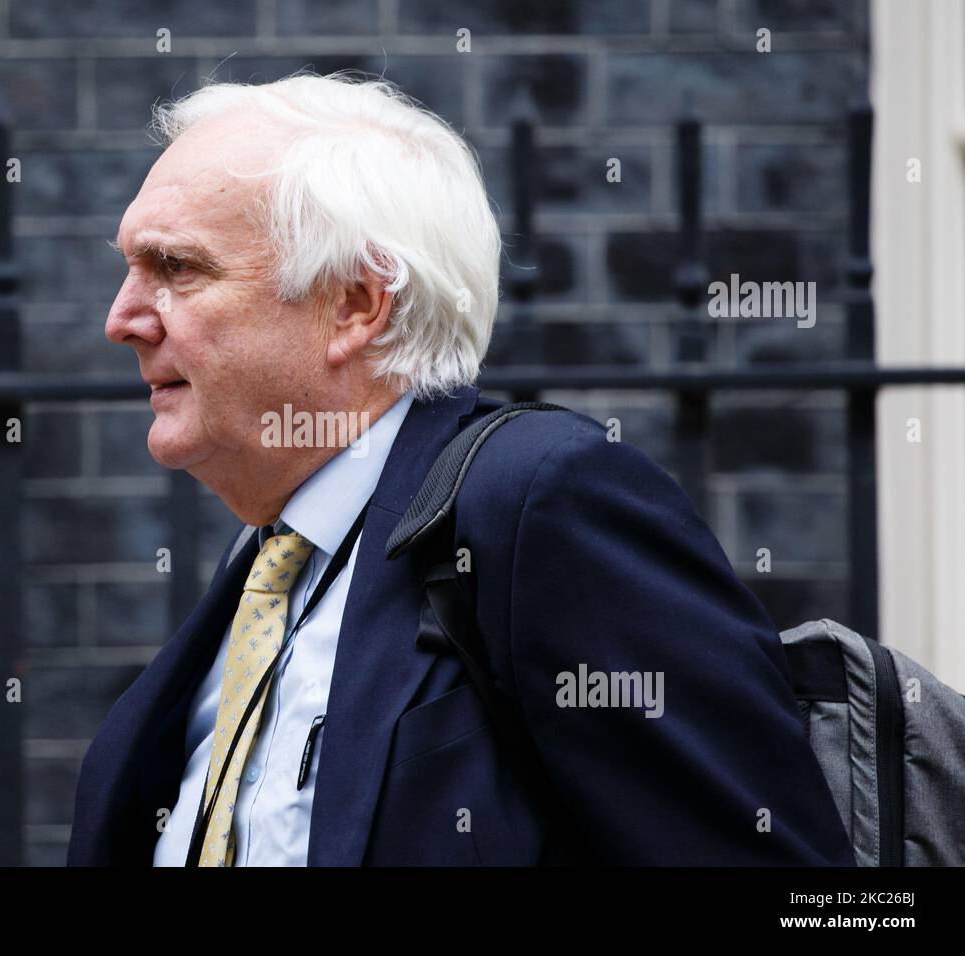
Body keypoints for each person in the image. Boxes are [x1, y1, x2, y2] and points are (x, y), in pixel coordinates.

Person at [66, 72, 856, 867]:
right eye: (132, 269)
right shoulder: (269, 567)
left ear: (354, 304)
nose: (122, 320)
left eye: (176, 269)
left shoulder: (544, 501)